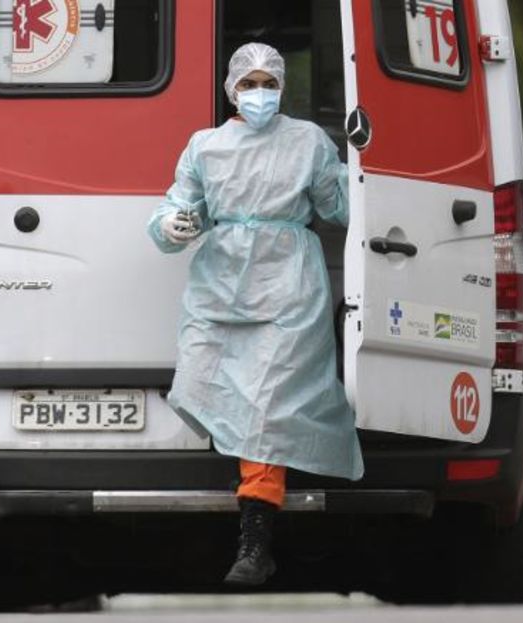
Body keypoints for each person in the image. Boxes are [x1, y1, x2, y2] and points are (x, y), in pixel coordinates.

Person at [147, 43, 364, 587]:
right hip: (219, 286)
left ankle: (256, 539)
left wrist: (364, 165)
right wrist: (172, 224)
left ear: (283, 87)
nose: (260, 92)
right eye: (250, 83)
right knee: (198, 380)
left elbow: (341, 207)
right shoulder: (206, 146)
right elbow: (179, 204)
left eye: (269, 82)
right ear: (231, 88)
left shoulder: (308, 141)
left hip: (287, 285)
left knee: (265, 410)